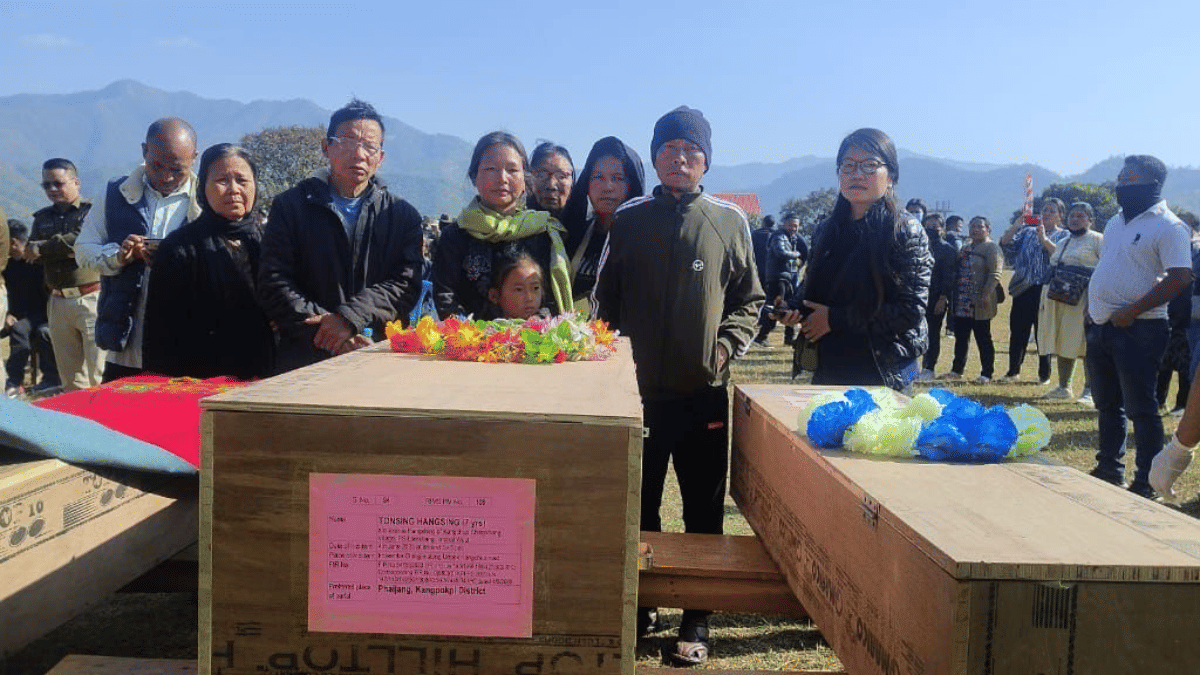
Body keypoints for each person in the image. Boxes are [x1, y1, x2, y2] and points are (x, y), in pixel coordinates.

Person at [594, 106, 762, 665]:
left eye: (691, 150)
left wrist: (722, 348)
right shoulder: (631, 218)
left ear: (706, 160)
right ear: (656, 155)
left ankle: (697, 614)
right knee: (638, 506)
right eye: (669, 149)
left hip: (702, 394)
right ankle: (642, 605)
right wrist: (612, 358)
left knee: (702, 506)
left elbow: (749, 300)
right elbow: (604, 301)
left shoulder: (729, 220)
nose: (680, 158)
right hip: (637, 396)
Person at [259, 99, 424, 374]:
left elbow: (405, 284)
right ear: (326, 147)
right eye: (348, 141)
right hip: (304, 357)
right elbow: (274, 280)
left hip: (376, 353)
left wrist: (350, 319)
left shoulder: (402, 216)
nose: (359, 154)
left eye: (370, 146)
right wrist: (328, 331)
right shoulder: (291, 207)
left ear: (380, 157)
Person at [778, 128, 931, 392]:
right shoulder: (827, 229)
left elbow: (910, 311)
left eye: (870, 165)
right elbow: (813, 287)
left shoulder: (904, 230)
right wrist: (794, 307)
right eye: (848, 166)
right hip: (830, 366)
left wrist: (834, 319)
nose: (857, 174)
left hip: (882, 371)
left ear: (891, 176)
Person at [1086, 155, 1192, 501]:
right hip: (1102, 325)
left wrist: (1133, 310)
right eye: (1119, 179)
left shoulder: (1169, 226)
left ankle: (1146, 479)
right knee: (1107, 403)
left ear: (1151, 184)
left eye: (1127, 180)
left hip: (1141, 328)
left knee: (1141, 407)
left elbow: (1179, 277)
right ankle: (1109, 467)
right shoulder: (1116, 222)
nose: (1120, 185)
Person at [75, 117, 200, 382]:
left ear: (195, 159)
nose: (166, 176)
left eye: (177, 169)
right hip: (126, 346)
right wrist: (118, 257)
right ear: (144, 151)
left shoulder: (206, 200)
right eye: (157, 165)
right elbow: (83, 250)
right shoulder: (115, 193)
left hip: (186, 343)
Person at [142, 143, 274, 379]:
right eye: (222, 181)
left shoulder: (273, 240)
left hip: (270, 374)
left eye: (242, 180)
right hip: (202, 380)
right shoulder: (179, 247)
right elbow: (160, 333)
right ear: (203, 188)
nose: (233, 189)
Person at [433, 132, 571, 320]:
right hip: (470, 343)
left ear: (525, 180)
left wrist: (528, 331)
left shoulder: (543, 232)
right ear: (474, 177)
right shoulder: (456, 235)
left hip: (532, 342)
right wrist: (470, 334)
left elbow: (550, 300)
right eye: (491, 169)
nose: (502, 178)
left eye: (512, 170)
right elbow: (445, 296)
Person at [25, 158, 104, 391]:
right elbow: (31, 252)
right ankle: (79, 425)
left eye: (58, 184)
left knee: (99, 373)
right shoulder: (41, 218)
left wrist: (47, 248)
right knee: (70, 378)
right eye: (46, 185)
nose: (52, 190)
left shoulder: (90, 213)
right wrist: (62, 248)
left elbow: (80, 242)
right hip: (58, 301)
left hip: (90, 298)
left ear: (76, 182)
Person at [558, 136, 645, 316]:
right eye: (598, 177)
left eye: (618, 178)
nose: (607, 187)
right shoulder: (572, 236)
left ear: (632, 184)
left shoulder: (646, 241)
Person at [998, 198, 1070, 383]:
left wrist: (1044, 239)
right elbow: (1005, 243)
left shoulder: (1064, 235)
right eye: (1044, 210)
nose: (1046, 214)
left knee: (1043, 332)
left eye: (1052, 211)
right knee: (1018, 331)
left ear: (1060, 216)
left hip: (1047, 289)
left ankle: (1044, 374)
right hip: (1024, 287)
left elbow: (1060, 256)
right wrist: (1016, 226)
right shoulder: (1027, 232)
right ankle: (1013, 371)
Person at [1037, 202, 1103, 400]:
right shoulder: (1065, 241)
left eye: (1081, 216)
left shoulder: (1098, 240)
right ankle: (1064, 387)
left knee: (1085, 345)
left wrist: (1094, 302)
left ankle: (1090, 391)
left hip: (1084, 300)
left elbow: (1104, 270)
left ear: (1090, 221)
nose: (1075, 219)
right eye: (1072, 216)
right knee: (1063, 342)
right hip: (1058, 298)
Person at [940, 216, 1002, 382]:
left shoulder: (992, 248)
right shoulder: (966, 247)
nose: (975, 229)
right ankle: (957, 370)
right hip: (962, 299)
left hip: (980, 300)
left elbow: (995, 273)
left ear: (987, 229)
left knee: (983, 337)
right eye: (972, 226)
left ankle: (986, 373)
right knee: (961, 336)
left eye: (979, 226)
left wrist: (986, 294)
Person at [4, 219, 59, 396]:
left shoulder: (40, 264)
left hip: (42, 314)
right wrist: (6, 314)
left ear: (13, 242)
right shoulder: (7, 266)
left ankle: (15, 381)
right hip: (14, 314)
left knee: (22, 329)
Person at [754, 212, 807, 347]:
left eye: (796, 226)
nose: (793, 228)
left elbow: (805, 252)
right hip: (778, 278)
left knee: (789, 306)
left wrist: (799, 264)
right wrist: (795, 255)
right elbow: (780, 251)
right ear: (784, 224)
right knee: (775, 308)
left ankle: (789, 337)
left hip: (787, 277)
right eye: (791, 225)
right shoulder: (779, 236)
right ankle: (761, 337)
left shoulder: (793, 238)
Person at [918, 213, 958, 380]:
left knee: (932, 332)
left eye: (936, 227)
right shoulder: (918, 245)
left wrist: (943, 298)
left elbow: (949, 276)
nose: (932, 229)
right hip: (917, 295)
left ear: (942, 228)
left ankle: (929, 367)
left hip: (936, 297)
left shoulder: (948, 250)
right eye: (929, 226)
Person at [488, 251, 546, 320]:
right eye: (519, 289)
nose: (529, 298)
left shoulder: (552, 327)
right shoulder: (486, 329)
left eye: (535, 288)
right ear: (494, 295)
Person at [526, 142, 574, 220]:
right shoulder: (513, 226)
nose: (551, 186)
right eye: (542, 175)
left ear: (572, 182)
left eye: (561, 176)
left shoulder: (587, 229)